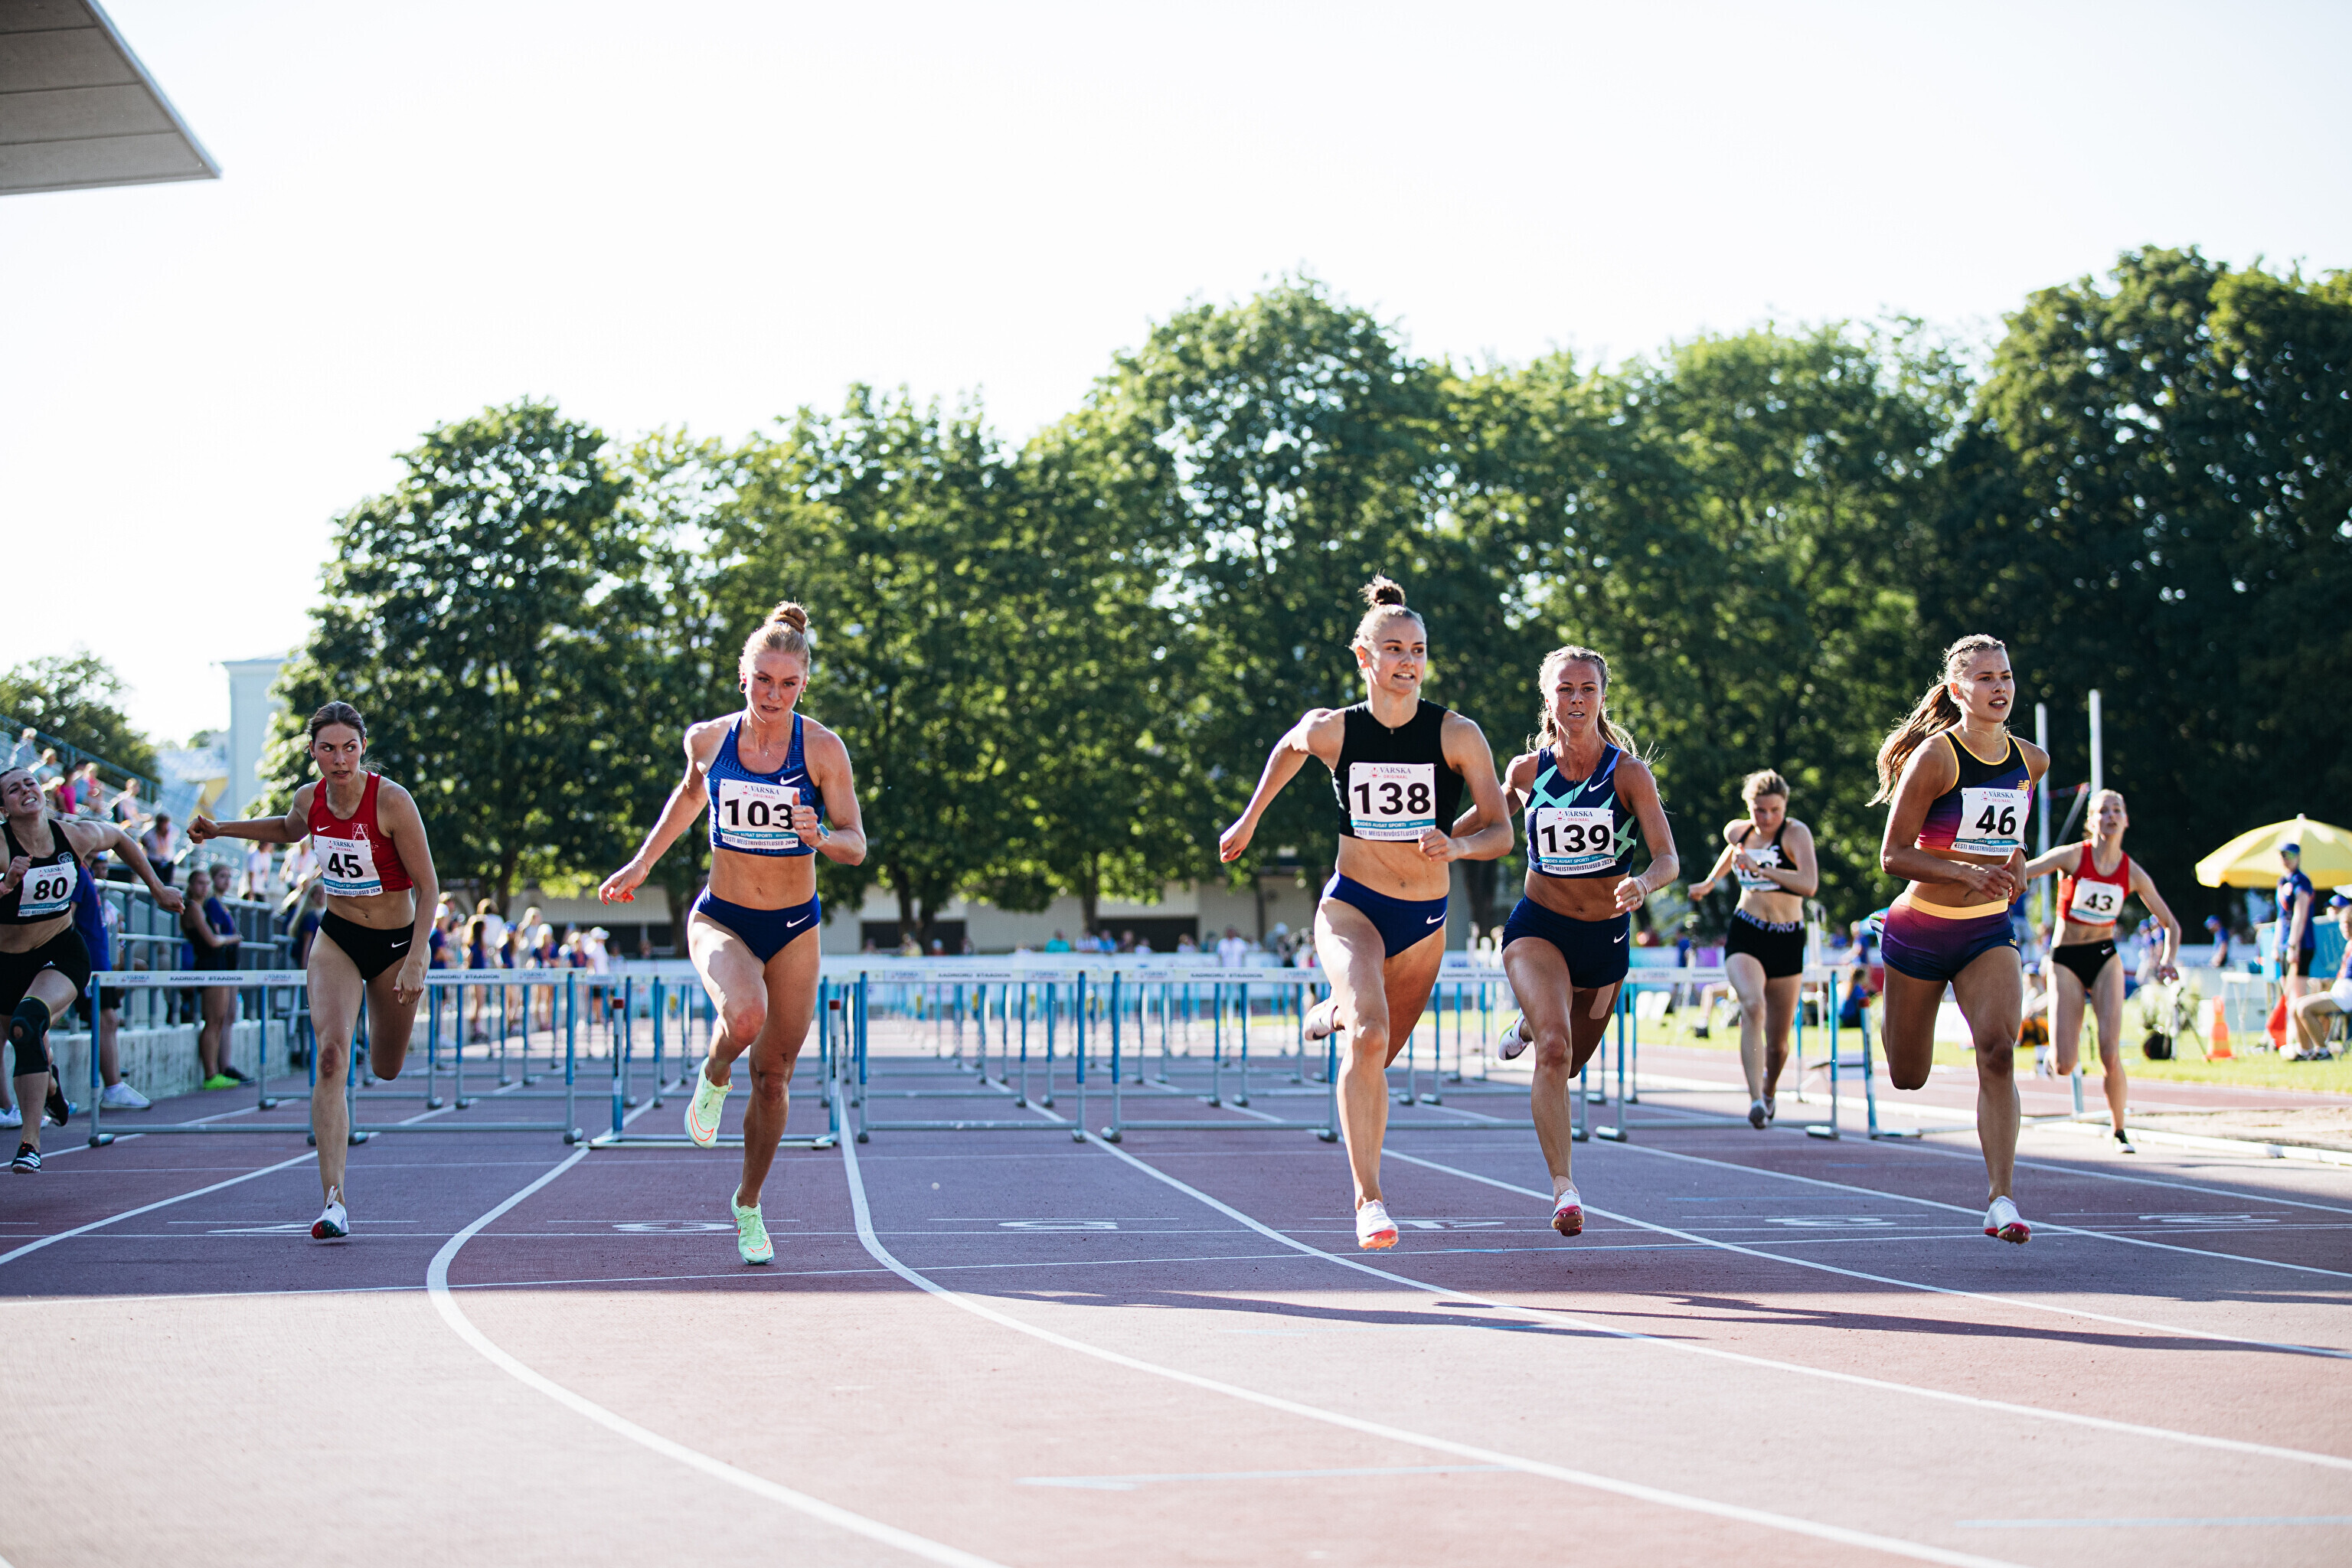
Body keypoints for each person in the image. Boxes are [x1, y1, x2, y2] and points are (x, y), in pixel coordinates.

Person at [1217, 576, 1511, 1249]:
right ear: (1364, 657)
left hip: (1424, 922)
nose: (1409, 661)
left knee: (1378, 1054)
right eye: (1395, 649)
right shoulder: (1336, 728)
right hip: (1353, 905)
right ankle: (1368, 1200)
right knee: (1370, 1037)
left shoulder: (1457, 735)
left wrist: (1458, 845)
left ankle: (1333, 1008)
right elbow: (1290, 747)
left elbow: (1500, 830)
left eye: (1419, 650)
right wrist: (1249, 819)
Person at [599, 601, 867, 1267]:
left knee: (774, 1079)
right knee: (745, 1017)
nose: (774, 695)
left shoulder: (822, 750)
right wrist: (642, 863)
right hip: (722, 917)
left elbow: (856, 844)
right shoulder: (708, 741)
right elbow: (691, 796)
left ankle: (748, 1204)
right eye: (764, 681)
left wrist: (820, 836)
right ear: (743, 677)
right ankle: (714, 1071)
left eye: (789, 684)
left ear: (803, 685)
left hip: (795, 927)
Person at [189, 701, 439, 1240]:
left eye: (349, 748)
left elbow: (429, 886)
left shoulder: (392, 801)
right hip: (338, 938)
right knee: (330, 1057)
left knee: (387, 1066)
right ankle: (334, 1201)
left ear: (363, 748)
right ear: (313, 752)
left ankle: (382, 1034)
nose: (340, 759)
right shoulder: (311, 798)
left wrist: (418, 955)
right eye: (328, 748)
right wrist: (220, 828)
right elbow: (287, 827)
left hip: (395, 944)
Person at [1488, 646, 1677, 1236]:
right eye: (1565, 689)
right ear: (1548, 698)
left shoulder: (1628, 774)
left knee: (1571, 1062)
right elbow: (1488, 820)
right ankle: (1564, 1189)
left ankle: (1524, 1027)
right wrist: (1437, 839)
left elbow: (1667, 858)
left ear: (1601, 696)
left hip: (1605, 937)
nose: (1576, 699)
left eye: (1587, 689)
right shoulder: (1526, 772)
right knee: (1554, 1048)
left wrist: (1643, 884)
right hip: (1539, 927)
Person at [1869, 635, 2048, 1244]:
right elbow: (1893, 854)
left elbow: (2010, 837)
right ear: (1957, 690)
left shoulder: (2032, 761)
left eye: (2006, 676)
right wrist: (1966, 871)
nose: (1999, 688)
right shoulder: (1936, 758)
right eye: (1985, 678)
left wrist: (2016, 865)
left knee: (1998, 1051)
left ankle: (2002, 1199)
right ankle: (1890, 993)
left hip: (1987, 932)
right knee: (1908, 1075)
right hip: (1920, 929)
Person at [0, 768, 181, 1170]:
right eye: (14, 789)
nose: (26, 790)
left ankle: (30, 1144)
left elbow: (119, 838)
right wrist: (5, 884)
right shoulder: (1, 845)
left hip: (60, 951)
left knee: (26, 1025)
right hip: (8, 961)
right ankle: (50, 1086)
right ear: (4, 808)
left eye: (30, 782)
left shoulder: (73, 835)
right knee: (25, 1039)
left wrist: (157, 888)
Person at [2019, 789, 2180, 1146]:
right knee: (2066, 1064)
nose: (2110, 816)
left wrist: (2167, 959)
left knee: (2110, 1051)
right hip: (2066, 959)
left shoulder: (2131, 872)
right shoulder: (2072, 856)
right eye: (2103, 811)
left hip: (2105, 957)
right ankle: (2052, 1059)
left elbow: (2171, 924)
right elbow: (2024, 872)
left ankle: (2119, 1129)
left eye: (2117, 810)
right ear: (2091, 821)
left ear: (2126, 820)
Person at [1687, 769, 1818, 1128]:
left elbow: (1809, 884)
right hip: (1747, 932)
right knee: (1752, 1005)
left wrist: (1761, 869)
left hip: (1787, 937)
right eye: (1760, 810)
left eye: (1775, 810)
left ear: (1785, 807)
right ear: (1749, 807)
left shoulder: (1795, 834)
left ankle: (1770, 1090)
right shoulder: (1739, 831)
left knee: (1778, 1044)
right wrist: (1710, 883)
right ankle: (1755, 1098)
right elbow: (1733, 851)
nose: (1767, 818)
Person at [70, 844, 147, 1109]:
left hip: (99, 961)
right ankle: (53, 1092)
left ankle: (113, 1086)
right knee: (103, 1019)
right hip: (88, 962)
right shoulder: (76, 871)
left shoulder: (85, 871)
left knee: (109, 1020)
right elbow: (67, 918)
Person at [181, 861, 243, 1087]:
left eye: (207, 883)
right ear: (190, 885)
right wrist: (233, 938)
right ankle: (210, 1074)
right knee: (213, 1020)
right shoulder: (193, 908)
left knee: (218, 1020)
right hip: (209, 965)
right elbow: (213, 940)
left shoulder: (202, 907)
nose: (204, 887)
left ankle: (215, 1072)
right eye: (200, 883)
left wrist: (223, 938)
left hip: (217, 965)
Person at [2287, 908, 2352, 1057]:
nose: (2344, 928)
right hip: (2339, 991)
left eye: (2348, 924)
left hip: (2347, 995)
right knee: (2294, 1006)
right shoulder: (2349, 944)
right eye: (2343, 924)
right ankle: (2305, 1051)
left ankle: (2323, 1051)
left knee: (2305, 1009)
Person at [2276, 844, 2317, 1007]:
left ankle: (2298, 1025)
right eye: (2283, 855)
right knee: (2286, 996)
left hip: (2301, 943)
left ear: (2298, 857)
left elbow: (2300, 914)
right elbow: (2281, 916)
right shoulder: (2283, 881)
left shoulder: (2301, 881)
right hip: (2284, 942)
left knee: (2298, 998)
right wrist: (2276, 945)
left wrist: (2293, 944)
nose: (2286, 859)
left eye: (2290, 855)